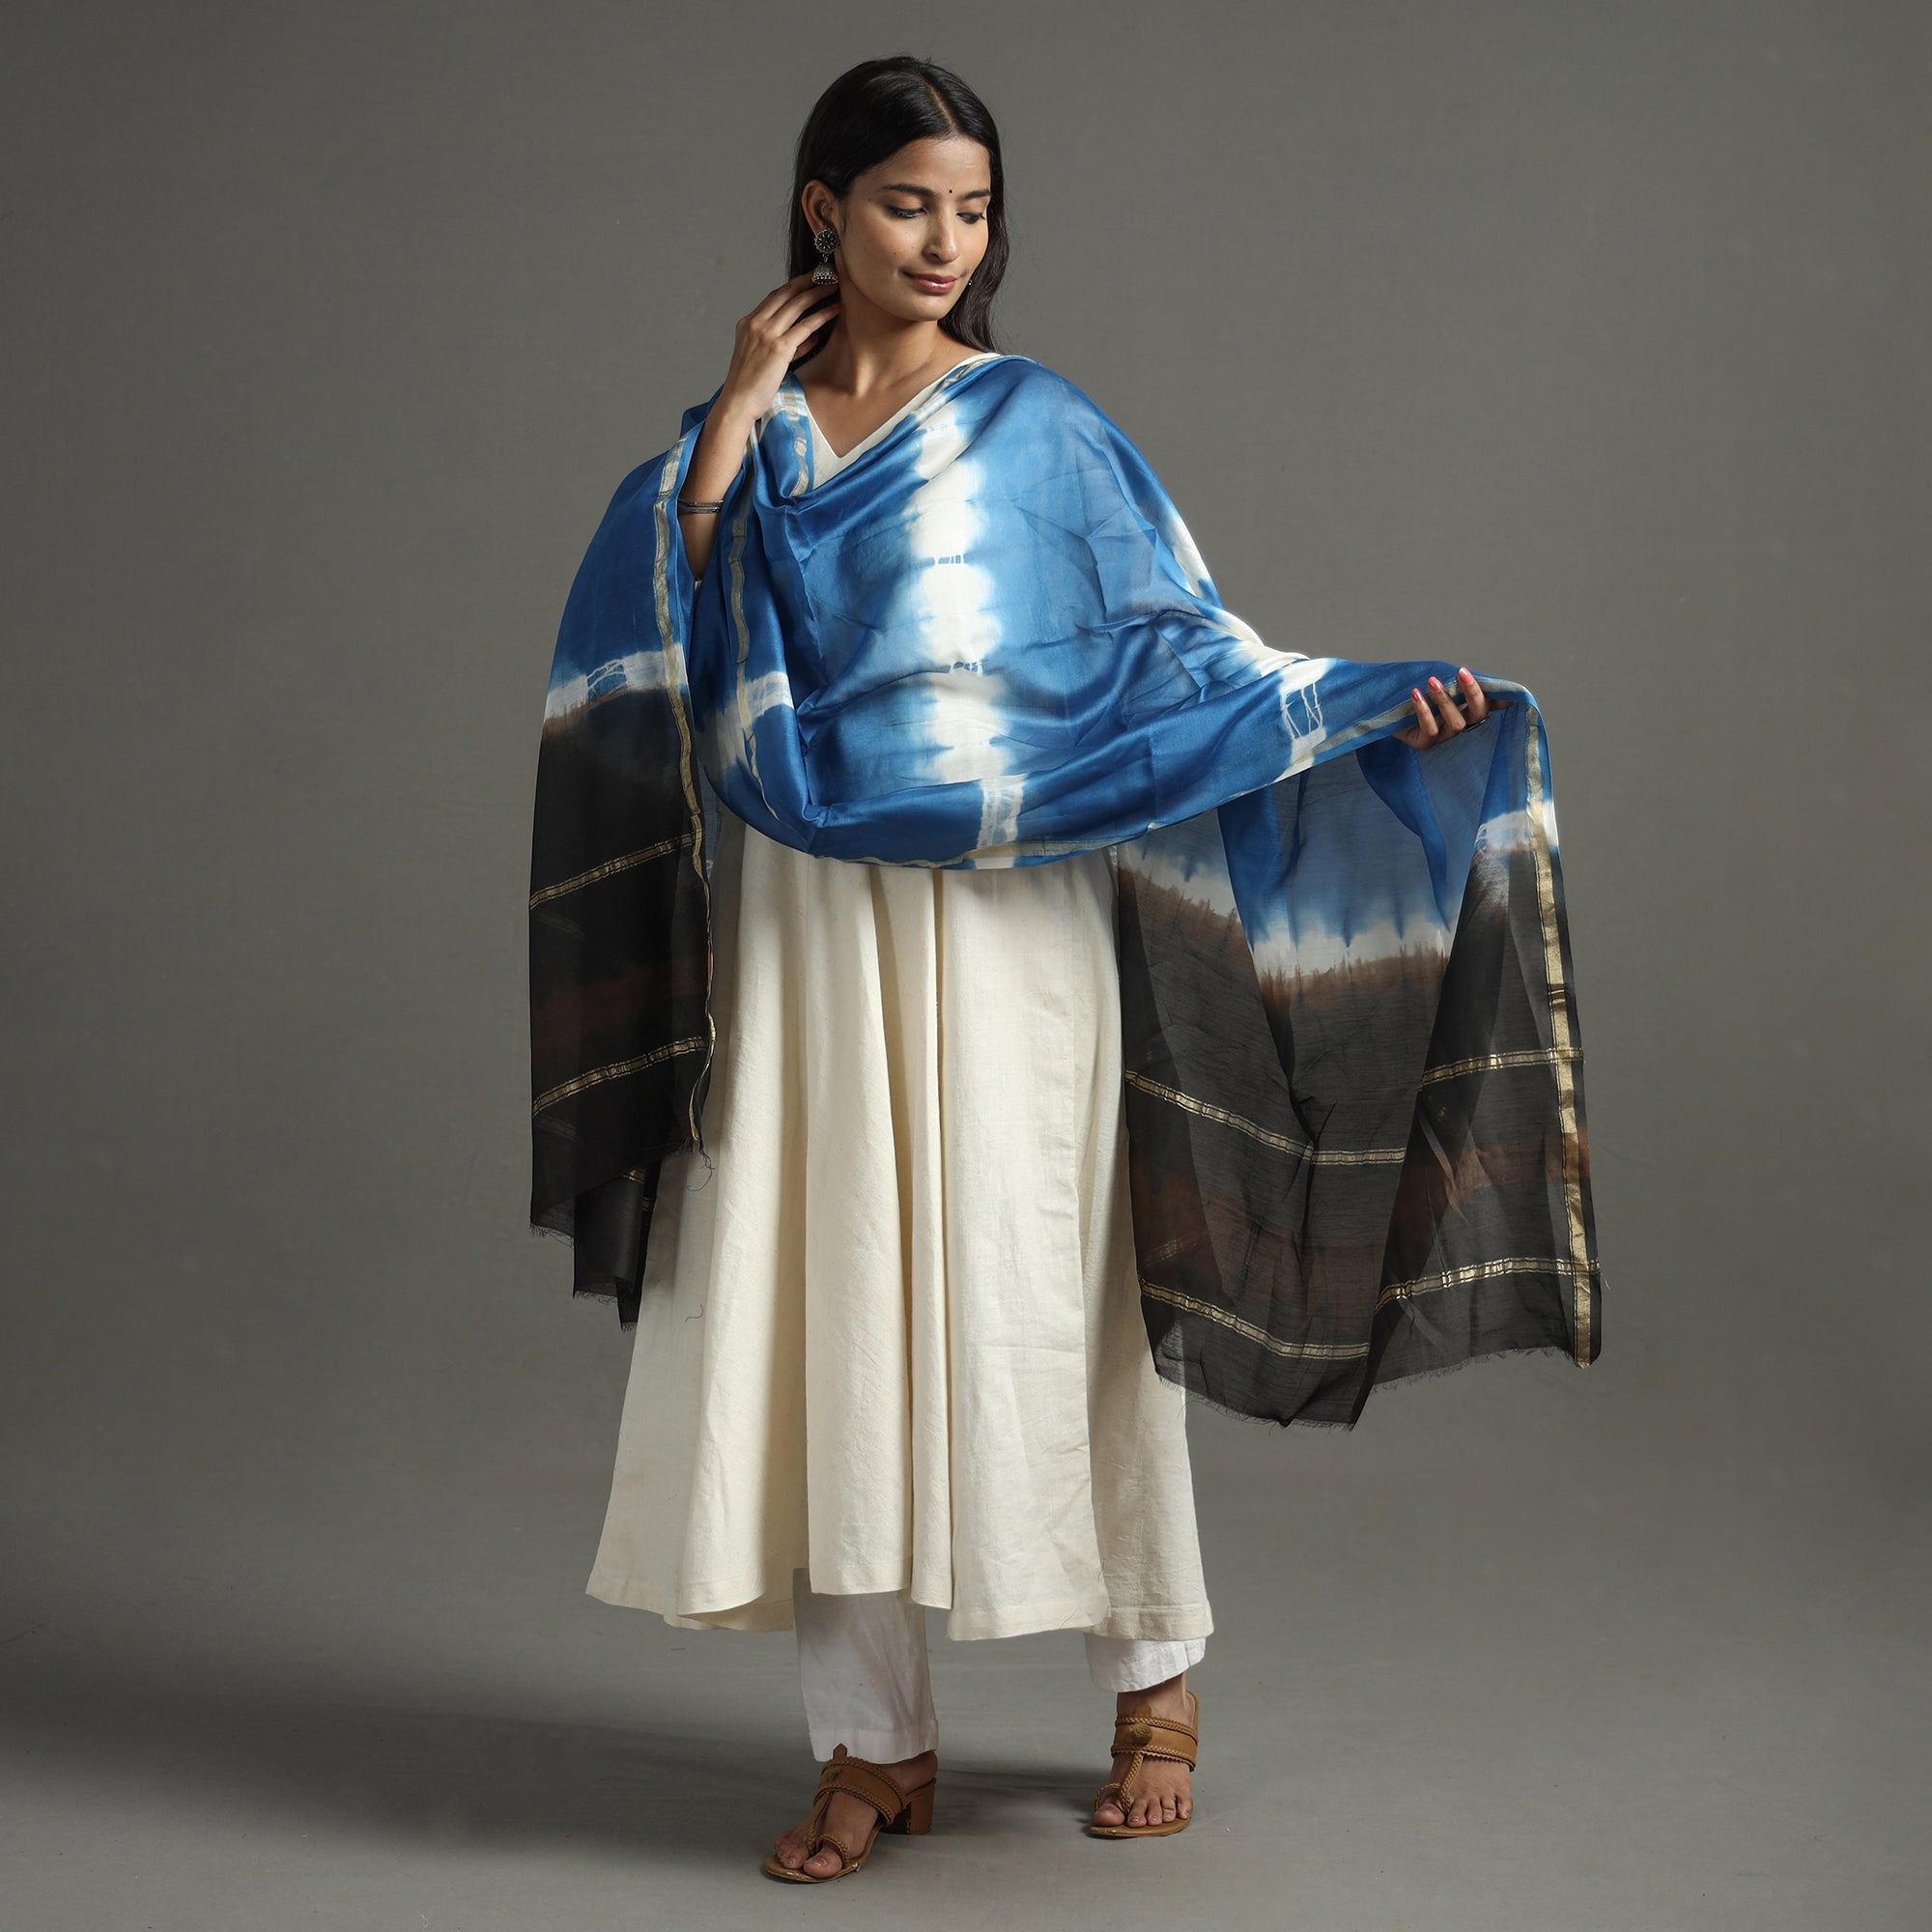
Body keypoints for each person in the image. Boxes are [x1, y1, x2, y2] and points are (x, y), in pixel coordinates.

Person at [531, 54, 1588, 1888]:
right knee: (830, 1295)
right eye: (906, 204)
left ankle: (1152, 1681)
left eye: (972, 209)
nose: (946, 241)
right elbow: (676, 655)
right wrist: (733, 423)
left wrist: (1367, 706)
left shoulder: (1040, 431)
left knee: (1062, 1280)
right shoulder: (750, 443)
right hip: (811, 919)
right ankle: (872, 1741)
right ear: (824, 210)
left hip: (1012, 920)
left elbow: (1185, 658)